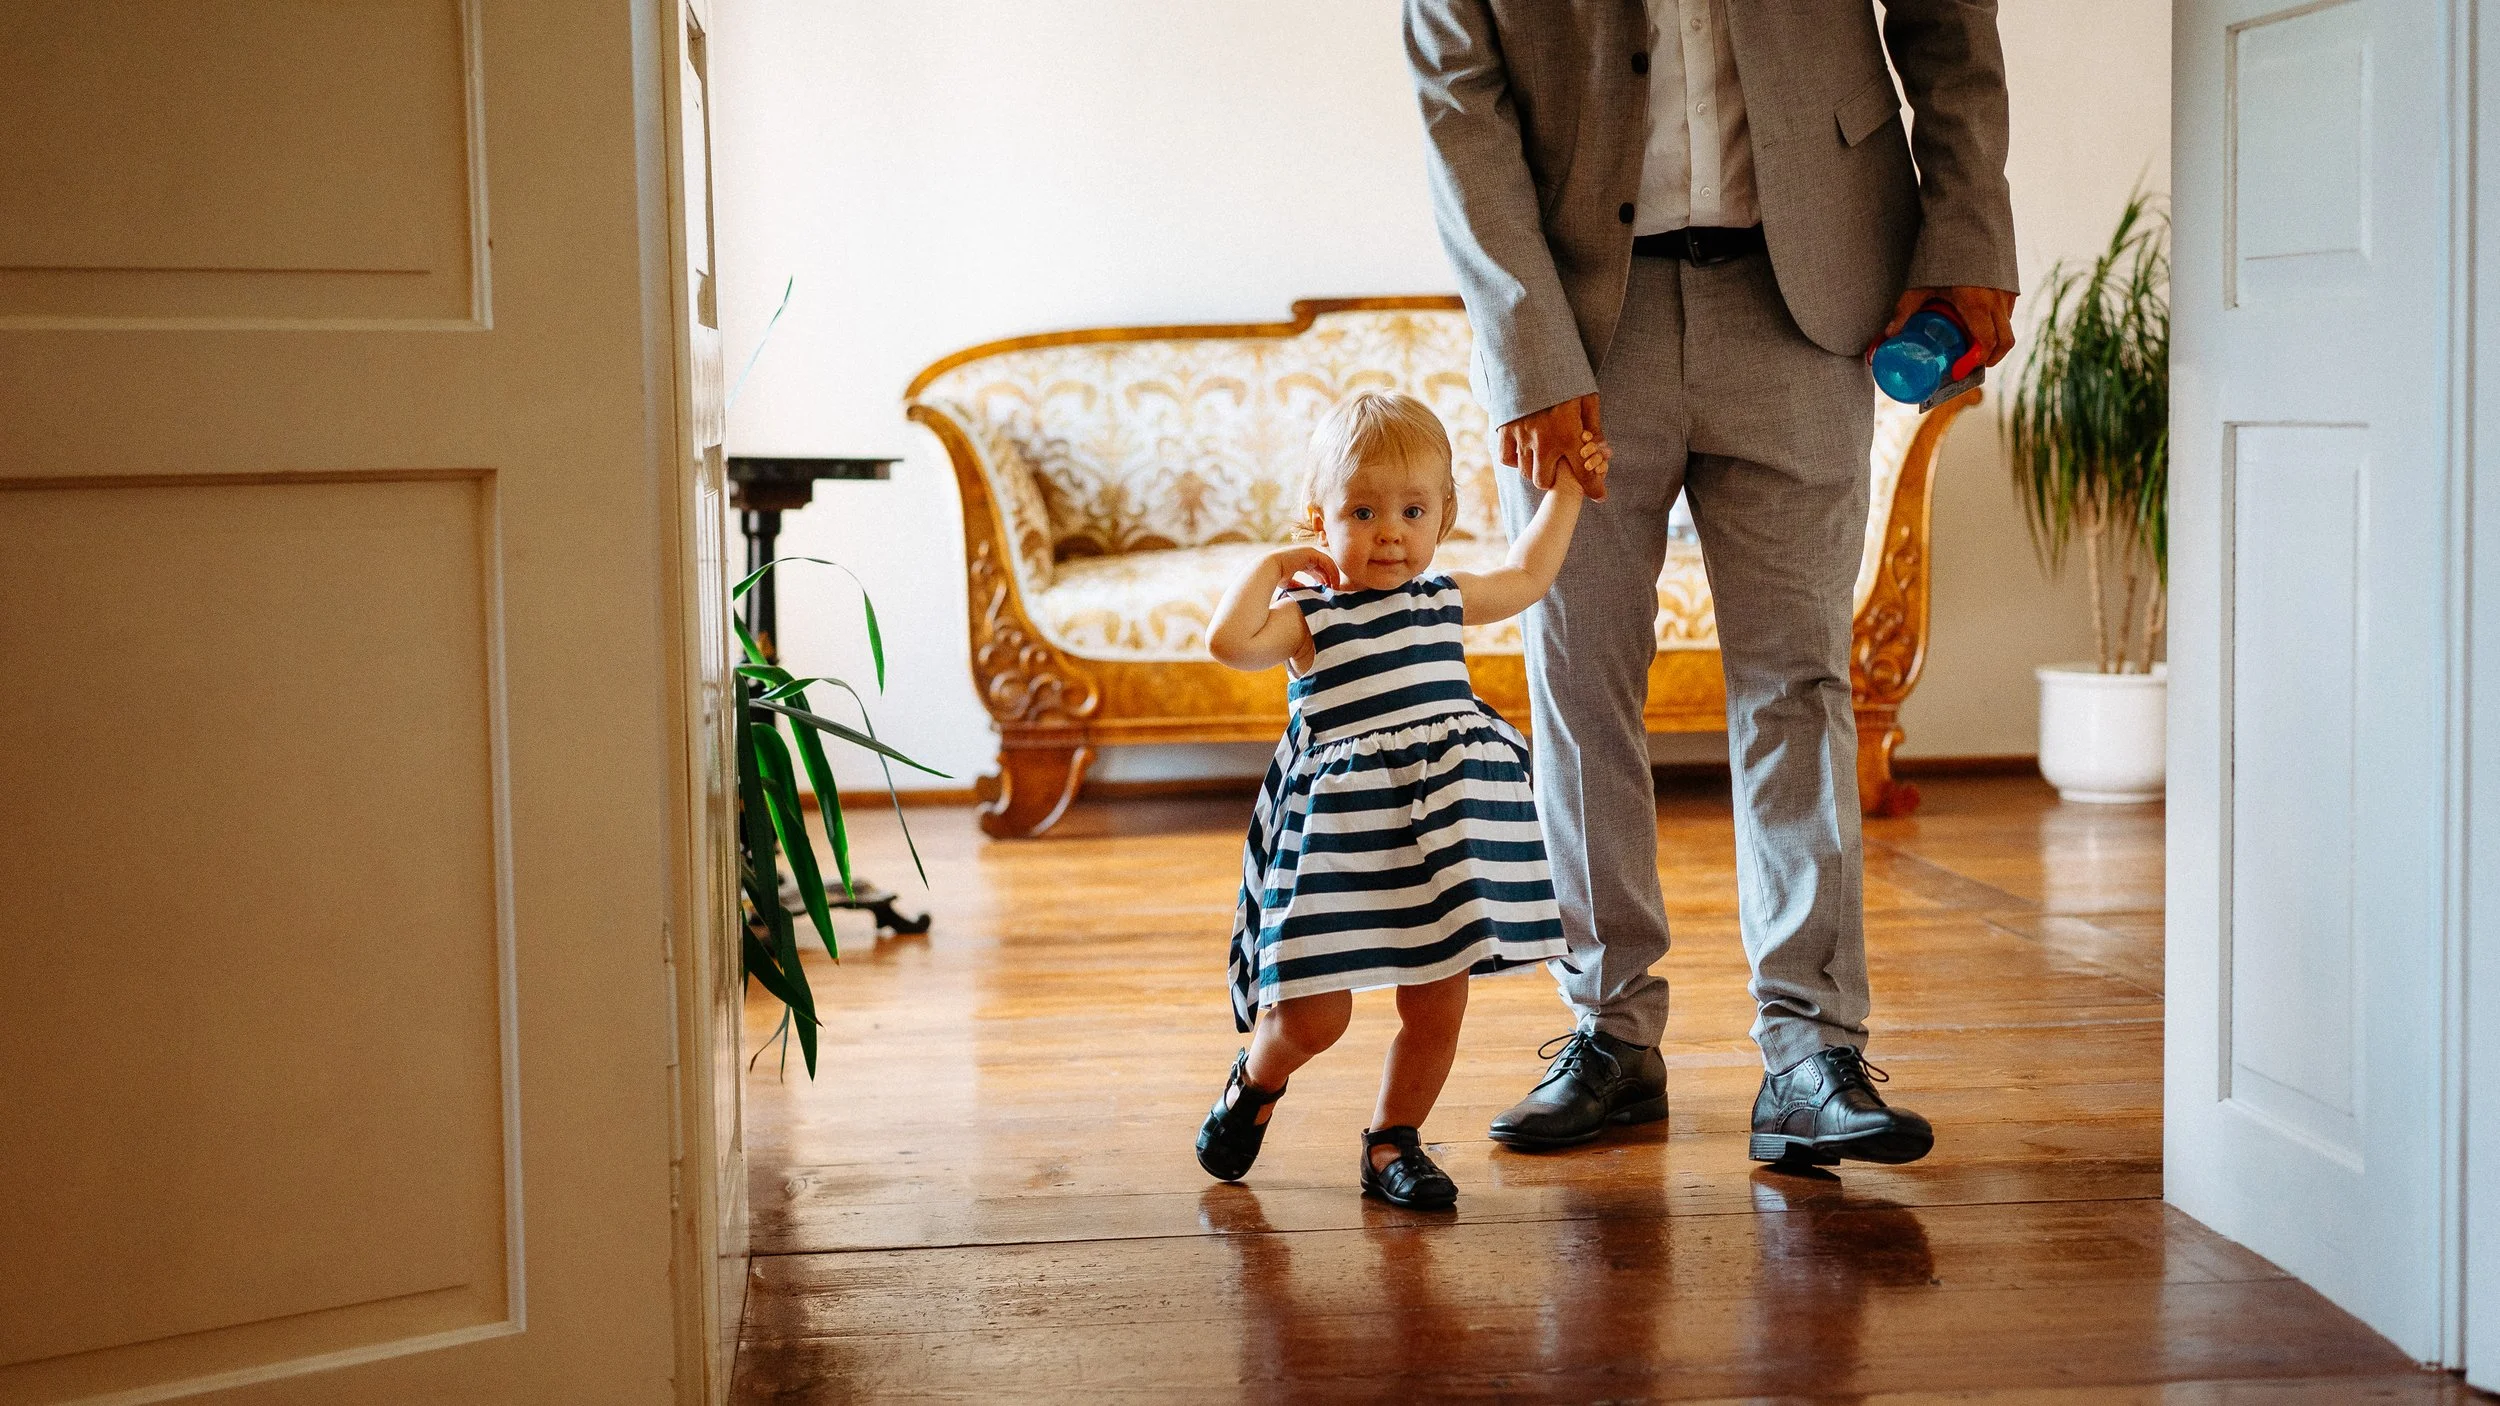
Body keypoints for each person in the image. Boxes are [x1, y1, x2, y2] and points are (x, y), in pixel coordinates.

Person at [1402, 0, 2020, 1166]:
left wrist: (1970, 238)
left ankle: (1810, 1051)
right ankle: (1609, 1030)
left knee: (1798, 681)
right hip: (1580, 321)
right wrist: (1525, 354)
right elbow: (1458, 109)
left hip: (1808, 295)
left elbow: (1948, 23)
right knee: (1579, 681)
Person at [1194, 390, 1595, 1208]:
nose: (1389, 533)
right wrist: (1270, 569)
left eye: (1413, 511)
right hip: (1341, 847)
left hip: (1438, 841)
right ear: (1320, 521)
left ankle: (1392, 1143)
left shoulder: (1442, 597)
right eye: (1363, 511)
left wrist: (1567, 490)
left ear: (1443, 516)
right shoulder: (1309, 617)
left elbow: (1528, 574)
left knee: (1439, 1003)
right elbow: (1229, 643)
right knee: (1315, 1018)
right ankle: (1256, 1081)